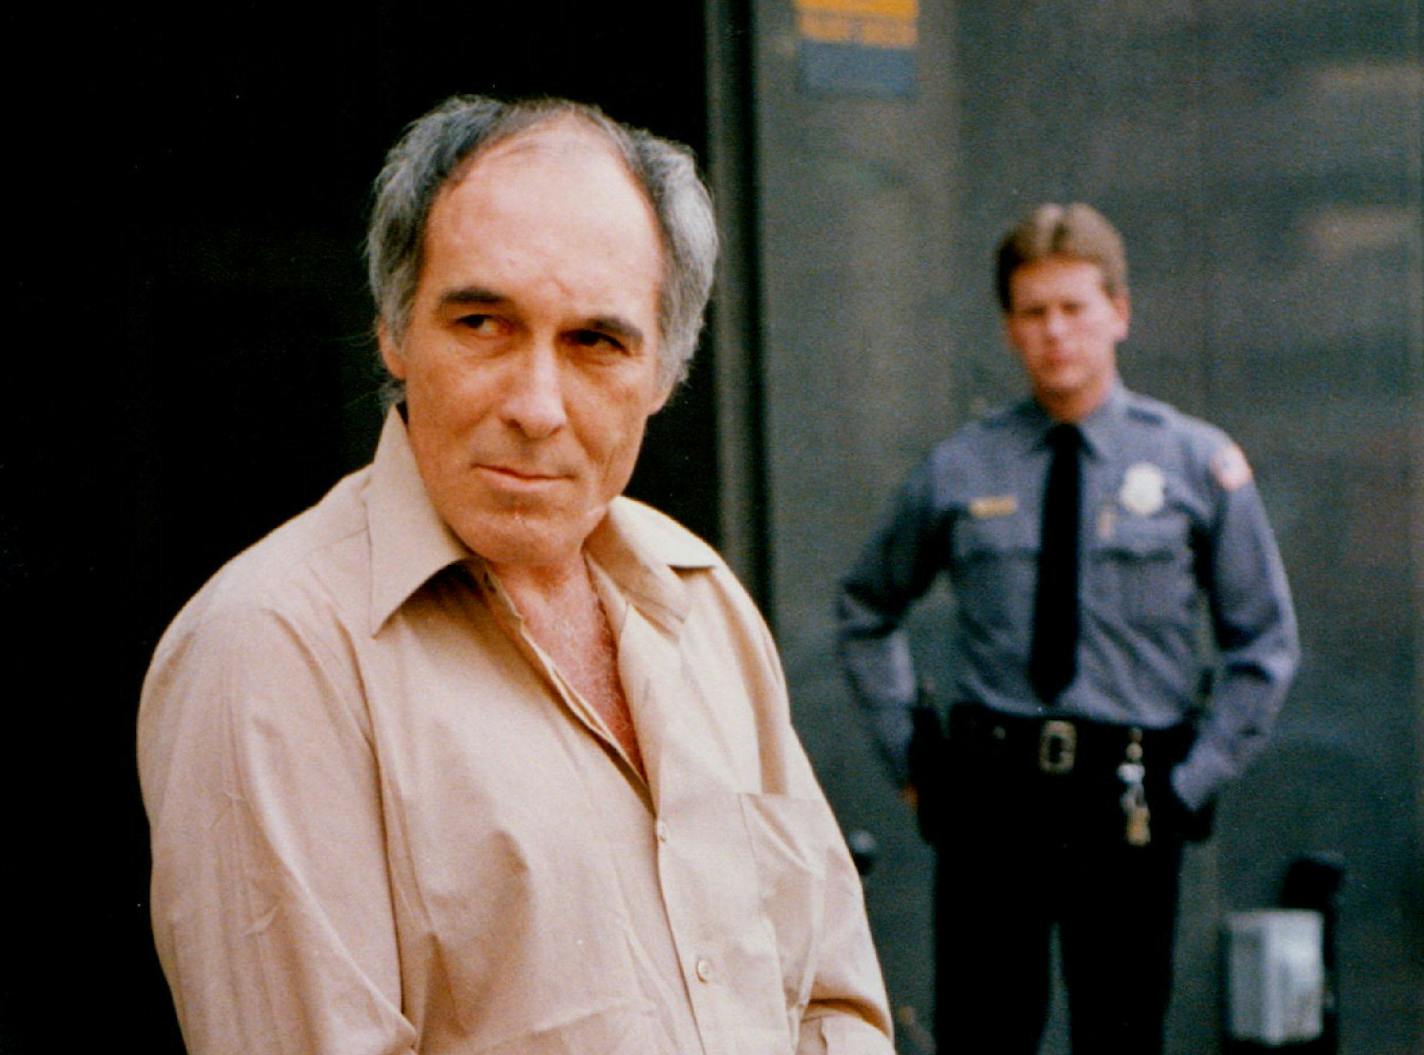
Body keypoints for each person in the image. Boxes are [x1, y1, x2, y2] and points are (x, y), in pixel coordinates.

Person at [139, 95, 894, 1055]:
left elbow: (836, 1004)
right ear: (396, 331)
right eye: (484, 322)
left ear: (662, 373)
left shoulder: (701, 600)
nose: (536, 404)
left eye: (596, 341)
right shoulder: (274, 647)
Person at [836, 203, 1299, 1052]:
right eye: (1033, 312)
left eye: (1075, 307)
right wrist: (914, 760)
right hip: (991, 794)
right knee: (983, 1030)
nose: (1056, 332)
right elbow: (866, 609)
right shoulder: (961, 467)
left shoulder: (1195, 463)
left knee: (1121, 1032)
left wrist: (1190, 783)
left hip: (1128, 797)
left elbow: (1263, 644)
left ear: (1119, 312)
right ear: (1009, 328)